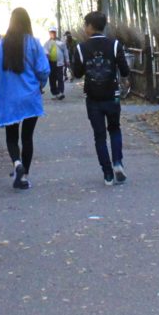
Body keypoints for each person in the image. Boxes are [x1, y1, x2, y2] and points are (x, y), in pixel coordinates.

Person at [71, 11, 131, 186]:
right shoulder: (115, 45)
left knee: (99, 136)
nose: (85, 28)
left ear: (90, 26)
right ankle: (118, 163)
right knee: (114, 129)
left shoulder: (81, 48)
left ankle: (107, 174)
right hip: (112, 96)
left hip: (93, 98)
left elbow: (77, 73)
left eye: (85, 25)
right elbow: (125, 71)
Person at [0, 8, 50, 189]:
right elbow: (43, 70)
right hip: (30, 96)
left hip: (8, 97)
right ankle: (24, 177)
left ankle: (17, 163)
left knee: (11, 137)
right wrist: (41, 84)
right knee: (27, 138)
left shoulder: (2, 44)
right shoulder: (34, 43)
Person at [44, 28, 68, 99]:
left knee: (60, 77)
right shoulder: (47, 43)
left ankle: (61, 92)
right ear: (49, 33)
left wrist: (67, 60)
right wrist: (46, 54)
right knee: (52, 78)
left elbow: (65, 51)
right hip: (51, 63)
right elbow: (44, 51)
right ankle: (55, 93)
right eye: (51, 32)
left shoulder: (60, 42)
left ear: (56, 33)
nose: (53, 34)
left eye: (54, 32)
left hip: (59, 62)